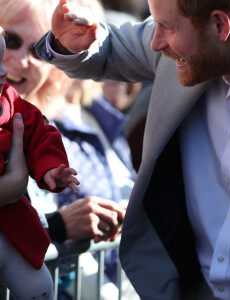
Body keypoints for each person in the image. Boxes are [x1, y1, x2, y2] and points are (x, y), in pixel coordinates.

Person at [35, 0, 230, 299]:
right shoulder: (186, 39)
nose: (155, 41)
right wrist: (70, 39)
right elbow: (104, 47)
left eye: (168, 28)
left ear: (220, 26)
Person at [0, 0, 137, 299]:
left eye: (37, 49)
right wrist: (59, 225)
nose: (21, 61)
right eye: (10, 40)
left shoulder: (41, 128)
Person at [0, 25, 79, 299]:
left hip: (11, 225)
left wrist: (50, 168)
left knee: (40, 289)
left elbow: (40, 134)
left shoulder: (10, 101)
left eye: (36, 48)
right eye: (12, 41)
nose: (5, 70)